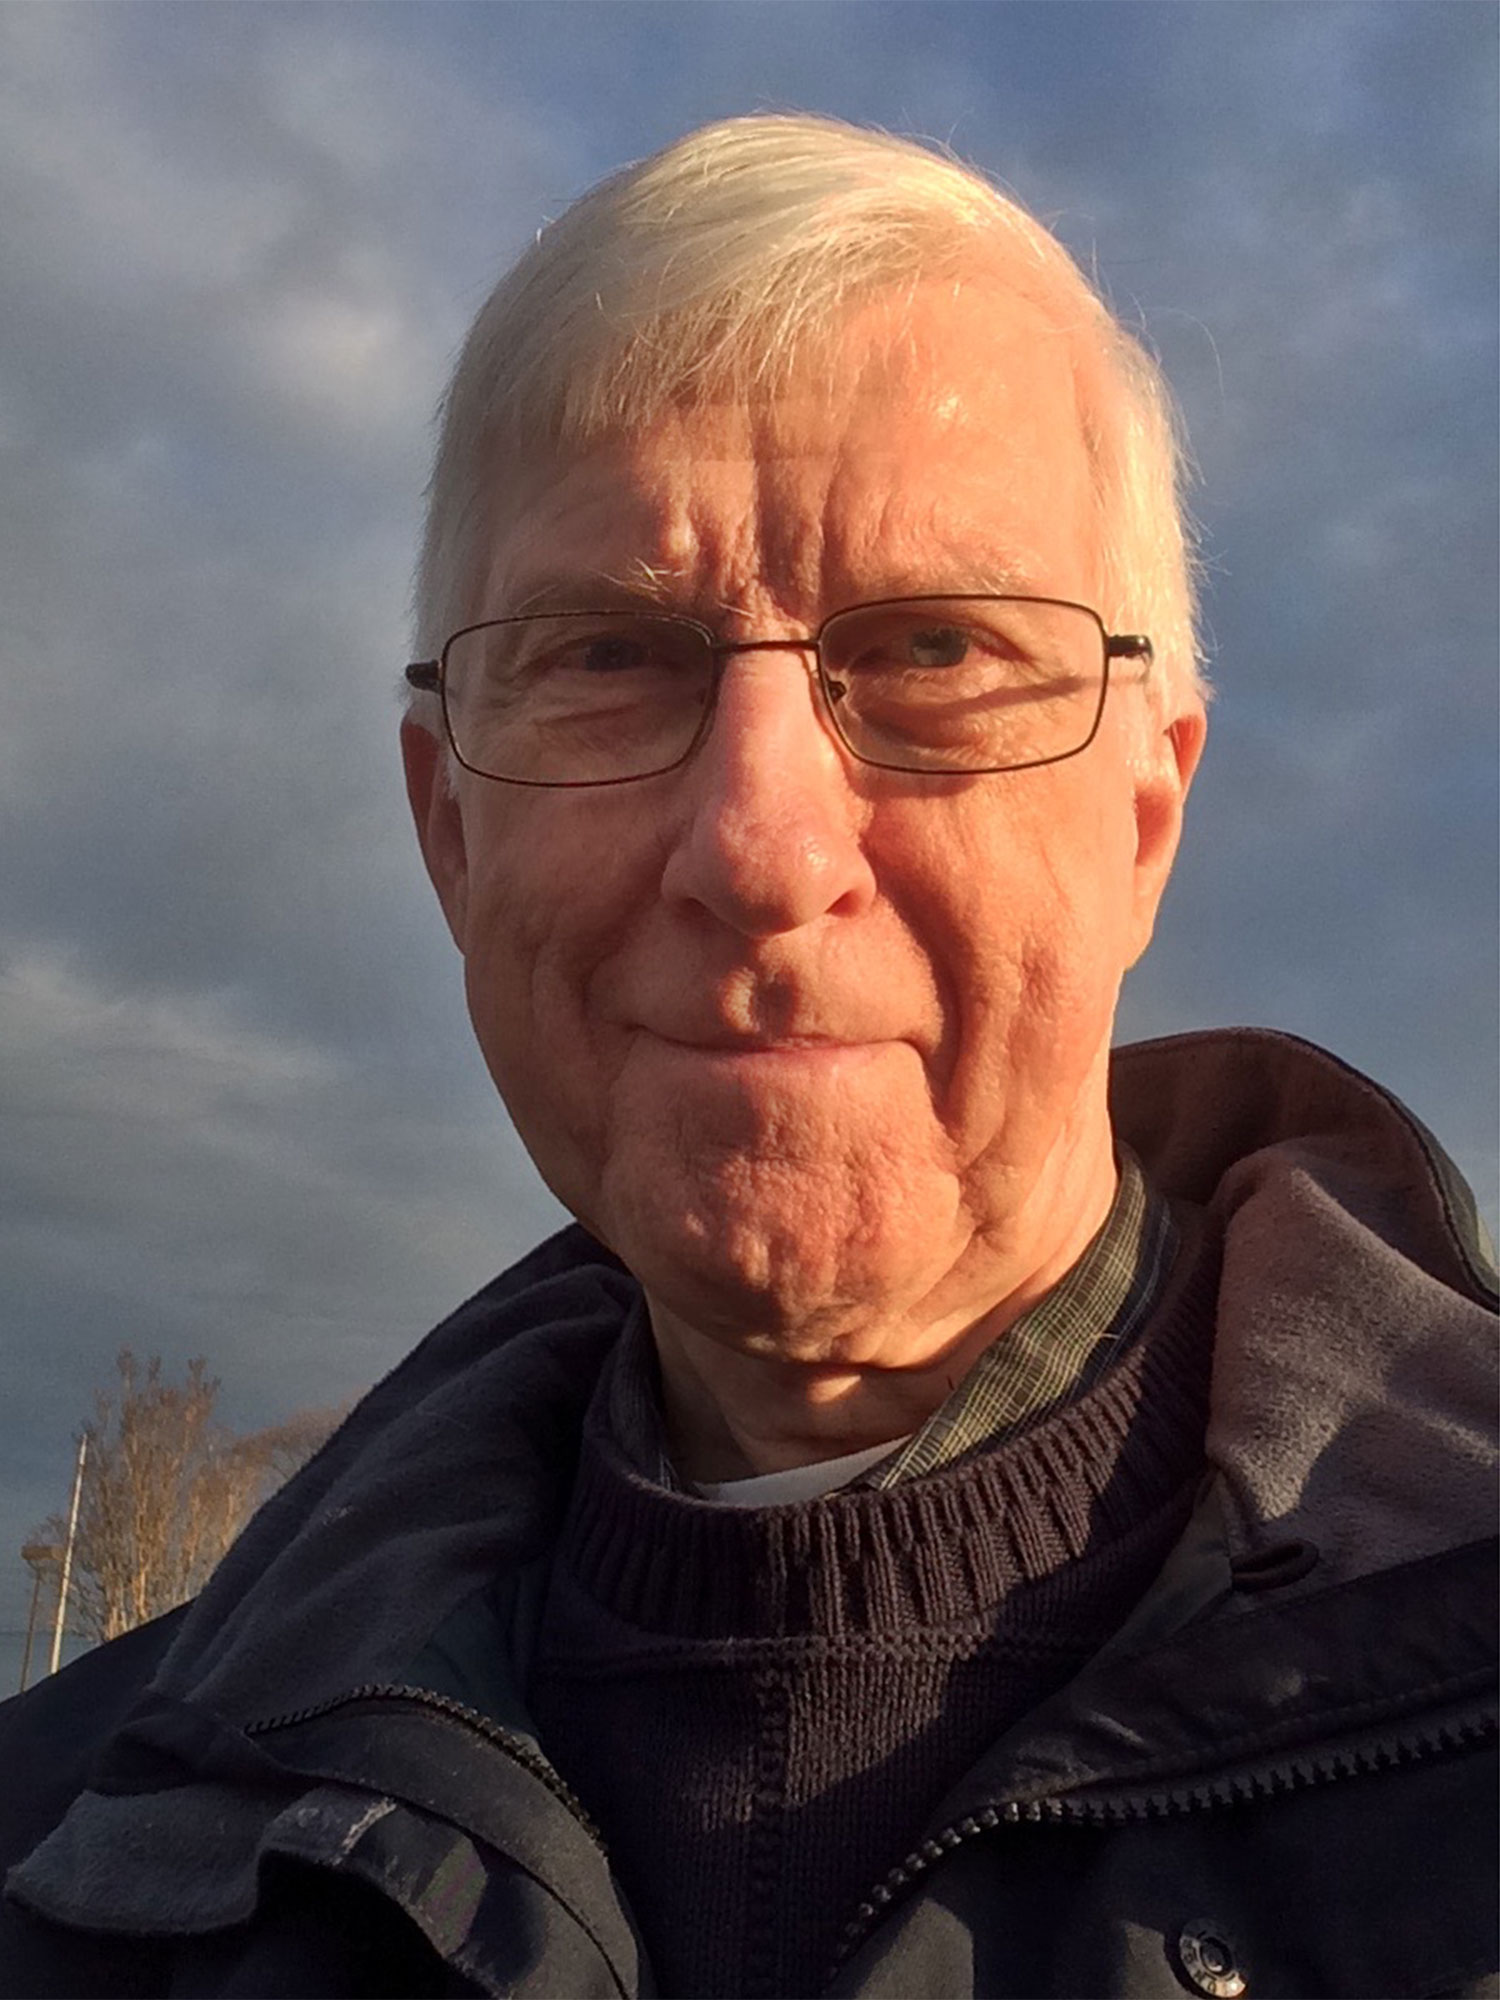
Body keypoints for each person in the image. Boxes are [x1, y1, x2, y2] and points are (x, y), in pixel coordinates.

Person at [1, 113, 1494, 2000]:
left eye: (939, 647)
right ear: (447, 832)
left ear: (1145, 817)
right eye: (613, 654)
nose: (763, 851)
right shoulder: (76, 1867)